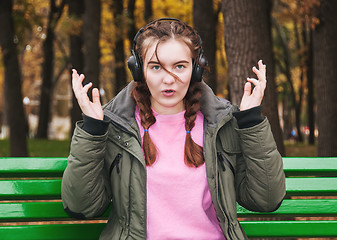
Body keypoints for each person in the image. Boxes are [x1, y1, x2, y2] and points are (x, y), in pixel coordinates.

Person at [61, 18, 286, 240]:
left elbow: (266, 200)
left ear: (195, 69)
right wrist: (92, 131)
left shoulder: (222, 124)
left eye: (180, 66)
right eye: (156, 67)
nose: (169, 79)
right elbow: (81, 206)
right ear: (139, 71)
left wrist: (250, 122)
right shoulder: (116, 126)